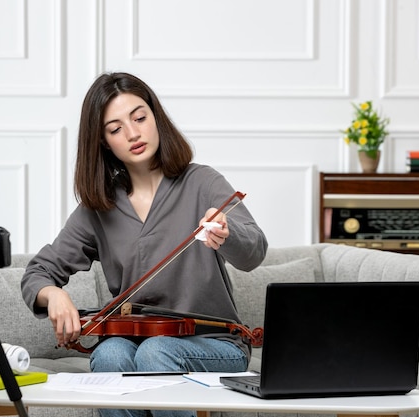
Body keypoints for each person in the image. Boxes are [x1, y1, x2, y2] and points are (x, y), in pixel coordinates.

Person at [21, 72, 268, 417]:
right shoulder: (99, 207)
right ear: (104, 142)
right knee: (109, 354)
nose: (133, 133)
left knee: (156, 351)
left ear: (156, 118)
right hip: (135, 341)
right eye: (116, 128)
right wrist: (55, 295)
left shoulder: (201, 182)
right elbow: (39, 272)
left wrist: (228, 234)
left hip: (215, 343)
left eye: (139, 118)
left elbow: (254, 250)